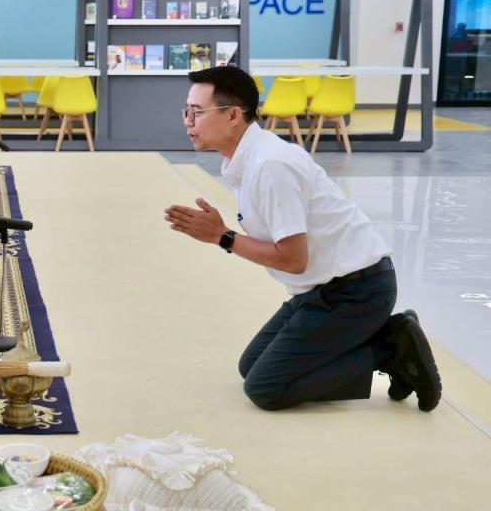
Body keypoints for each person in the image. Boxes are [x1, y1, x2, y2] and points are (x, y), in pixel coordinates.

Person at [163, 66, 442, 412]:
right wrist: (222, 236)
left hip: (357, 291)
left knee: (265, 389)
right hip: (320, 290)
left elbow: (293, 260)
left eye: (196, 112)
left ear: (233, 115)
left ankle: (389, 349)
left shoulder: (270, 165)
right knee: (251, 366)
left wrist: (223, 237)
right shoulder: (247, 160)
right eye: (186, 112)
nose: (188, 121)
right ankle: (379, 339)